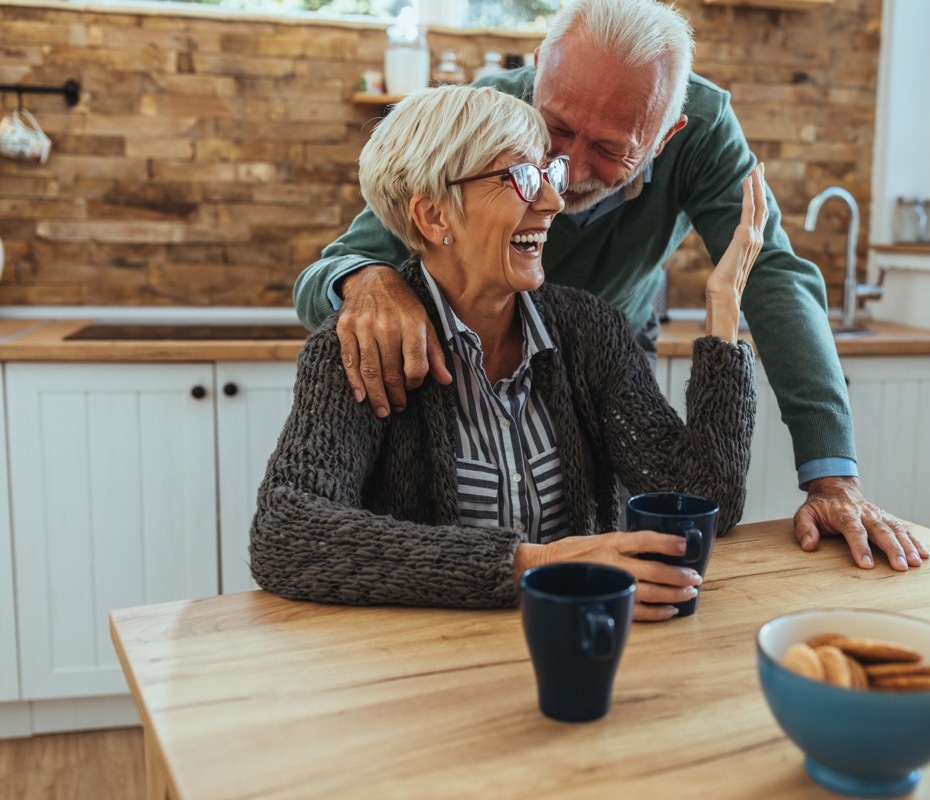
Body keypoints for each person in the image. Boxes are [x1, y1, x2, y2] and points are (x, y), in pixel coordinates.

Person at [292, 0, 929, 573]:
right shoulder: (484, 124)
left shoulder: (702, 132)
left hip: (607, 349)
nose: (561, 177)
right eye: (556, 130)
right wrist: (371, 281)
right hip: (452, 363)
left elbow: (771, 276)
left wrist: (831, 475)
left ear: (667, 135)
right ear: (538, 69)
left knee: (598, 517)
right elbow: (342, 262)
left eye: (610, 148)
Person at [251, 85, 763, 621]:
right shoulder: (358, 349)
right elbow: (286, 532)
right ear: (434, 217)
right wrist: (534, 563)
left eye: (548, 174)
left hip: (581, 649)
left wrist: (724, 308)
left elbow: (704, 497)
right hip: (427, 666)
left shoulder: (592, 332)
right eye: (519, 179)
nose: (553, 201)